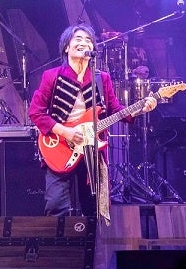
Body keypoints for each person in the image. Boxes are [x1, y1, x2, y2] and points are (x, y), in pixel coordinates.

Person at [28, 23, 156, 219]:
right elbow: (36, 112)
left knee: (92, 208)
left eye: (88, 40)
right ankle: (57, 240)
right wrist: (65, 132)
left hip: (92, 149)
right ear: (66, 47)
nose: (84, 43)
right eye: (78, 39)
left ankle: (90, 240)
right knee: (56, 206)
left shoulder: (101, 78)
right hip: (59, 145)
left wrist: (140, 108)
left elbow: (115, 110)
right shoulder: (52, 76)